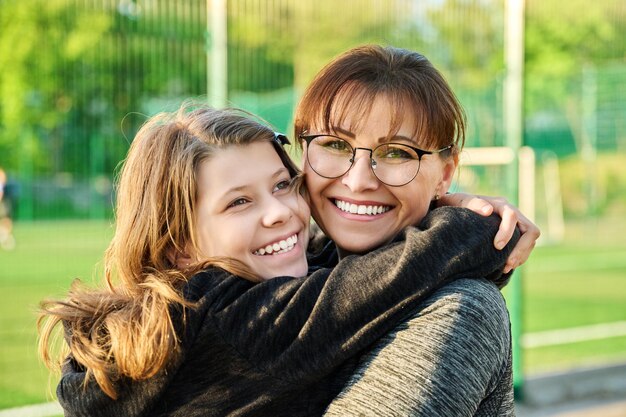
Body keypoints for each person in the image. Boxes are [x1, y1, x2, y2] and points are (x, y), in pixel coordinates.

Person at [39, 103, 519, 416]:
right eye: (239, 203)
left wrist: (433, 203)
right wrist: (475, 228)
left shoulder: (171, 322)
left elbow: (347, 271)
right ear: (177, 245)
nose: (281, 214)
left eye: (282, 185)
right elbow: (380, 280)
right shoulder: (226, 318)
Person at [291, 44, 540, 416]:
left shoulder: (462, 308)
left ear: (445, 173)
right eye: (335, 145)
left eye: (396, 153)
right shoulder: (294, 266)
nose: (358, 181)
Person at [0, 167, 16, 251]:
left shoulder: (1, 173)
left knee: (6, 219)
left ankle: (3, 235)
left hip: (3, 201)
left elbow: (1, 187)